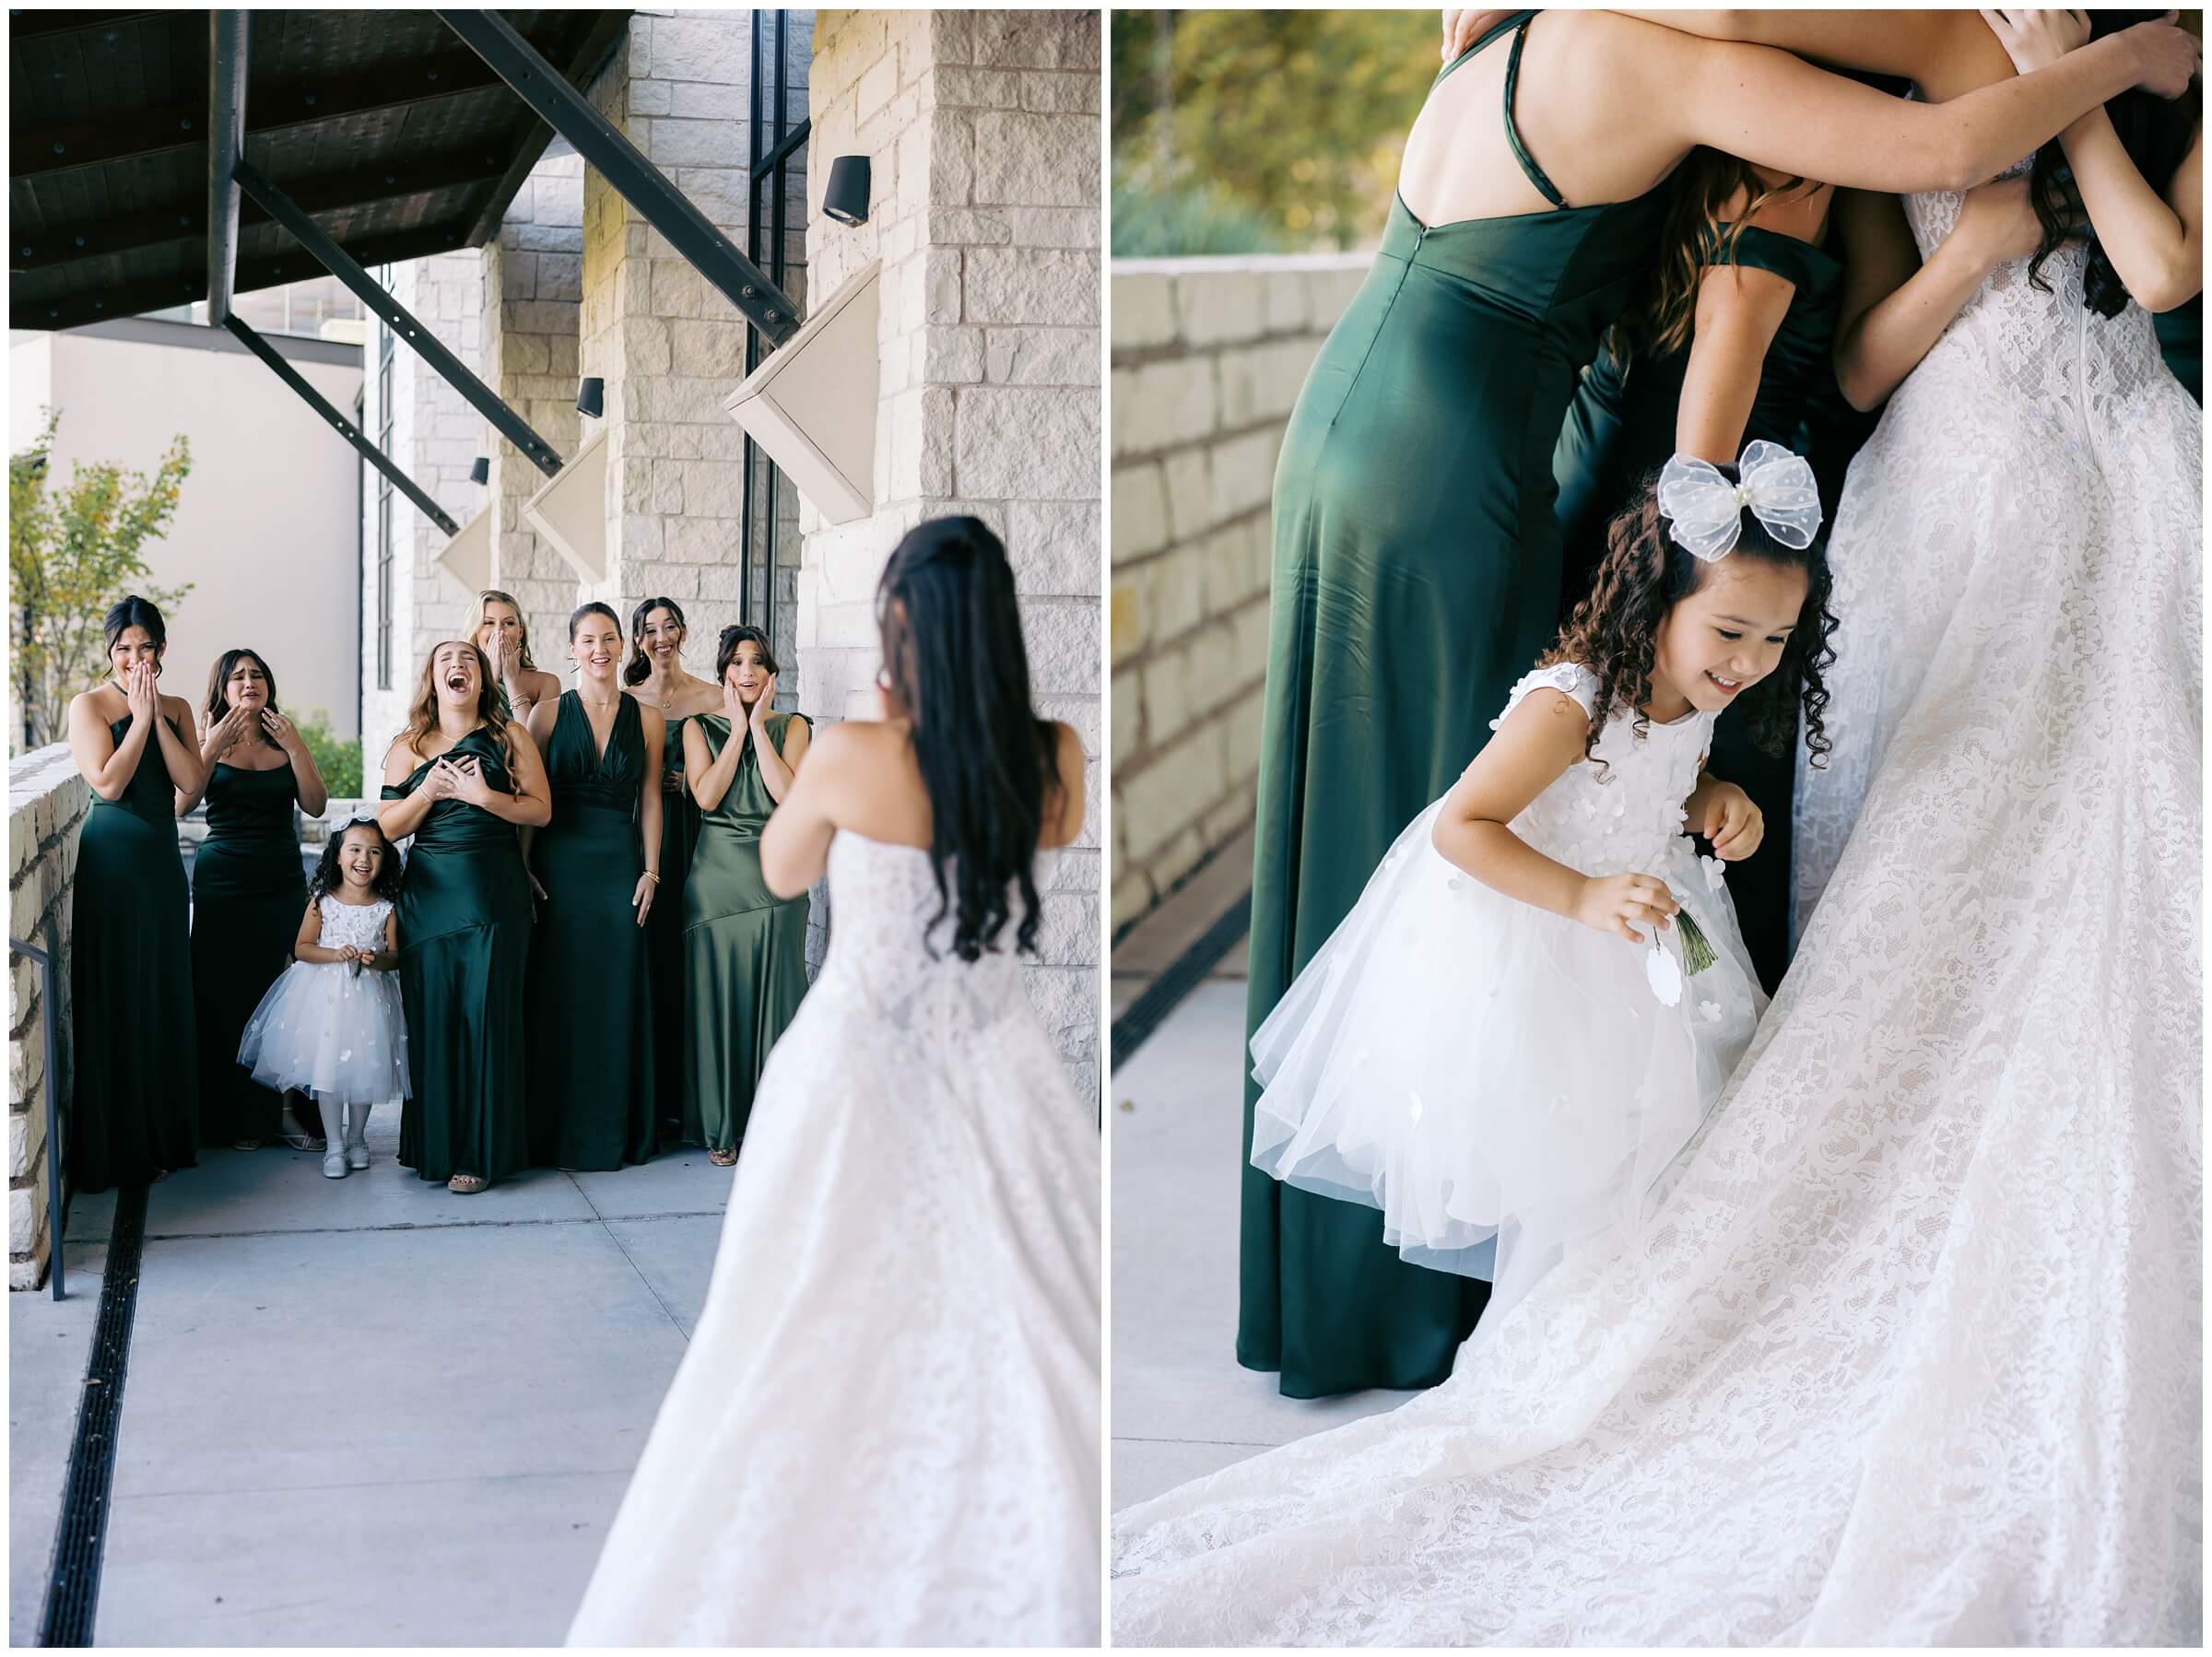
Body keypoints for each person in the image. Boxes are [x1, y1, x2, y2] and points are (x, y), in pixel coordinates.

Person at [1112, 15, 2203, 1642]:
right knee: (1542, 845)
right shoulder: (1787, 76)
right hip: (1775, 502)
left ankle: (1373, 1287)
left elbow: (2125, 268)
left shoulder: (1562, 50)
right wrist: (1681, 620)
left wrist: (2107, 96)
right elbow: (1819, 306)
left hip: (1996, 472)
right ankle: (1430, 1281)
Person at [567, 517, 1100, 1647]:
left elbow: (782, 864)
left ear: (901, 630)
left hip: (858, 1075)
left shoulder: (857, 755)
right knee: (1012, 1326)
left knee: (796, 1329)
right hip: (1000, 1073)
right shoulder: (1054, 757)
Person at [1251, 454, 1832, 1315]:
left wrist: (1717, 799)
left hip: (1639, 931)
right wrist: (1582, 900)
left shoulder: (1697, 695)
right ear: (1659, 601)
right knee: (1565, 1152)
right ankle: (1544, 1336)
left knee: (1648, 1146)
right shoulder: (1572, 704)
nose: (1751, 662)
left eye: (1777, 640)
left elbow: (1669, 781)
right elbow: (1462, 826)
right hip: (1537, 938)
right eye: (1731, 630)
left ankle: (1611, 1326)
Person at [377, 640, 549, 1194]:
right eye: (447, 659)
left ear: (482, 678)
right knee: (433, 1022)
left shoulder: (509, 736)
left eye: (469, 659)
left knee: (487, 1019)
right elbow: (387, 829)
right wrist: (426, 791)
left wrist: (484, 797)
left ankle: (481, 1153)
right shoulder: (408, 746)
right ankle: (434, 1147)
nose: (459, 666)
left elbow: (541, 810)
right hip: (428, 901)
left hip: (494, 898)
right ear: (432, 676)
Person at [65, 595, 206, 1190]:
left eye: (145, 646)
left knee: (160, 991)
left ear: (162, 650)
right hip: (111, 864)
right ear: (110, 653)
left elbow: (192, 785)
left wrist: (159, 716)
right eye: (123, 648)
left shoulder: (177, 707)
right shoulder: (88, 705)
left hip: (160, 864)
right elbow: (110, 782)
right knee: (117, 996)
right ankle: (116, 1149)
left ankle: (162, 1137)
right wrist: (140, 720)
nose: (134, 657)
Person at [524, 603, 665, 1170]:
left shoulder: (648, 718)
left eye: (609, 638)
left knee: (614, 994)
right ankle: (554, 1132)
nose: (600, 648)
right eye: (588, 639)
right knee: (562, 992)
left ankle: (614, 1130)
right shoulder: (547, 715)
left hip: (620, 869)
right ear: (572, 648)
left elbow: (651, 799)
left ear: (622, 645)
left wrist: (651, 870)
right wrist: (523, 868)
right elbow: (530, 801)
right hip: (559, 867)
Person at [176, 648, 328, 1150]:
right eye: (237, 676)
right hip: (223, 883)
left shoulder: (285, 740)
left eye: (256, 675)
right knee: (226, 998)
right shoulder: (206, 738)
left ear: (267, 686)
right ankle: (235, 1119)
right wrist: (212, 745)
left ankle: (291, 1117)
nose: (248, 682)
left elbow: (316, 803)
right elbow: (182, 803)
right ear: (222, 688)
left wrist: (298, 743)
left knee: (287, 998)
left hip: (282, 881)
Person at [678, 626, 809, 1167]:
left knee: (778, 1005)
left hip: (778, 883)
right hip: (716, 888)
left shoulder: (794, 727)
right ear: (724, 673)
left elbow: (787, 795)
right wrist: (735, 731)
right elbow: (707, 796)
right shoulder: (696, 727)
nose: (748, 671)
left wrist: (758, 728)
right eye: (737, 662)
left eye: (758, 662)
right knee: (719, 1006)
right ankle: (722, 1128)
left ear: (771, 674)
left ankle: (775, 1127)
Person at [238, 819, 407, 1179]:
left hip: (371, 1000)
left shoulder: (387, 907)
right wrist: (334, 955)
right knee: (328, 1071)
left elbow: (396, 955)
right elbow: (302, 948)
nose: (364, 858)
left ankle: (357, 1137)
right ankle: (334, 1144)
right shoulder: (322, 903)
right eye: (356, 850)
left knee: (366, 1070)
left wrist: (375, 960)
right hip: (325, 1002)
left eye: (374, 852)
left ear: (385, 860)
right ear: (339, 858)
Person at [621, 597, 722, 1142]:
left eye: (669, 627)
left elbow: (736, 762)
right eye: (649, 630)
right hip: (647, 838)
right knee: (654, 958)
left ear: (682, 632)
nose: (661, 637)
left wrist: (699, 785)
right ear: (638, 640)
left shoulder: (711, 696)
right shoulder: (628, 701)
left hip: (700, 837)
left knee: (695, 959)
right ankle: (656, 1098)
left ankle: (698, 1096)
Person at [475, 589, 562, 723]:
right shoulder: (462, 678)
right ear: (475, 630)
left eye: (508, 623)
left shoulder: (547, 683)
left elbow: (535, 741)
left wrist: (511, 681)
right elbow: (465, 735)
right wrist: (491, 677)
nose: (499, 631)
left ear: (520, 632)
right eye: (489, 623)